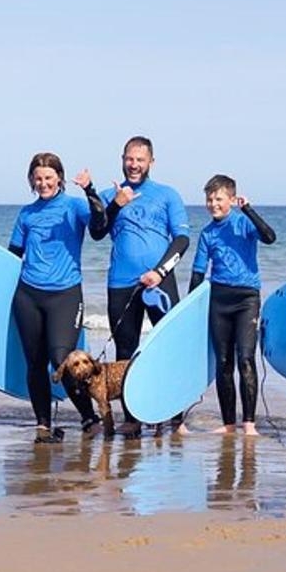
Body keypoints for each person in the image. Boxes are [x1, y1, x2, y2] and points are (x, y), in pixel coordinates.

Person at [91, 136, 191, 434]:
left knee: (168, 348)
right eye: (129, 159)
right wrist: (114, 205)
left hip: (159, 282)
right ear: (122, 159)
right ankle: (132, 418)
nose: (134, 165)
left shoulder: (167, 195)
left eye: (140, 160)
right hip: (121, 283)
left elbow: (182, 240)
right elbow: (97, 232)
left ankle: (175, 417)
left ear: (151, 162)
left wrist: (160, 272)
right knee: (125, 352)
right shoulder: (112, 194)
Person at [9, 152, 108, 443]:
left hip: (65, 294)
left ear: (59, 179)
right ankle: (42, 424)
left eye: (48, 178)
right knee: (35, 363)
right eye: (38, 178)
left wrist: (90, 190)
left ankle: (89, 417)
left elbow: (100, 227)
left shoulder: (75, 206)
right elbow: (13, 255)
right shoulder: (26, 213)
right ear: (31, 180)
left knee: (61, 359)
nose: (43, 183)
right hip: (28, 295)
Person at [188, 175, 276, 436]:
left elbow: (270, 237)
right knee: (223, 363)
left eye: (218, 199)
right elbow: (197, 273)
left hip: (247, 299)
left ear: (231, 199)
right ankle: (228, 424)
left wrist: (248, 209)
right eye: (209, 199)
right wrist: (190, 309)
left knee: (245, 360)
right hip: (219, 299)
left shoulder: (243, 223)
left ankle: (248, 423)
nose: (213, 204)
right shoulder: (207, 233)